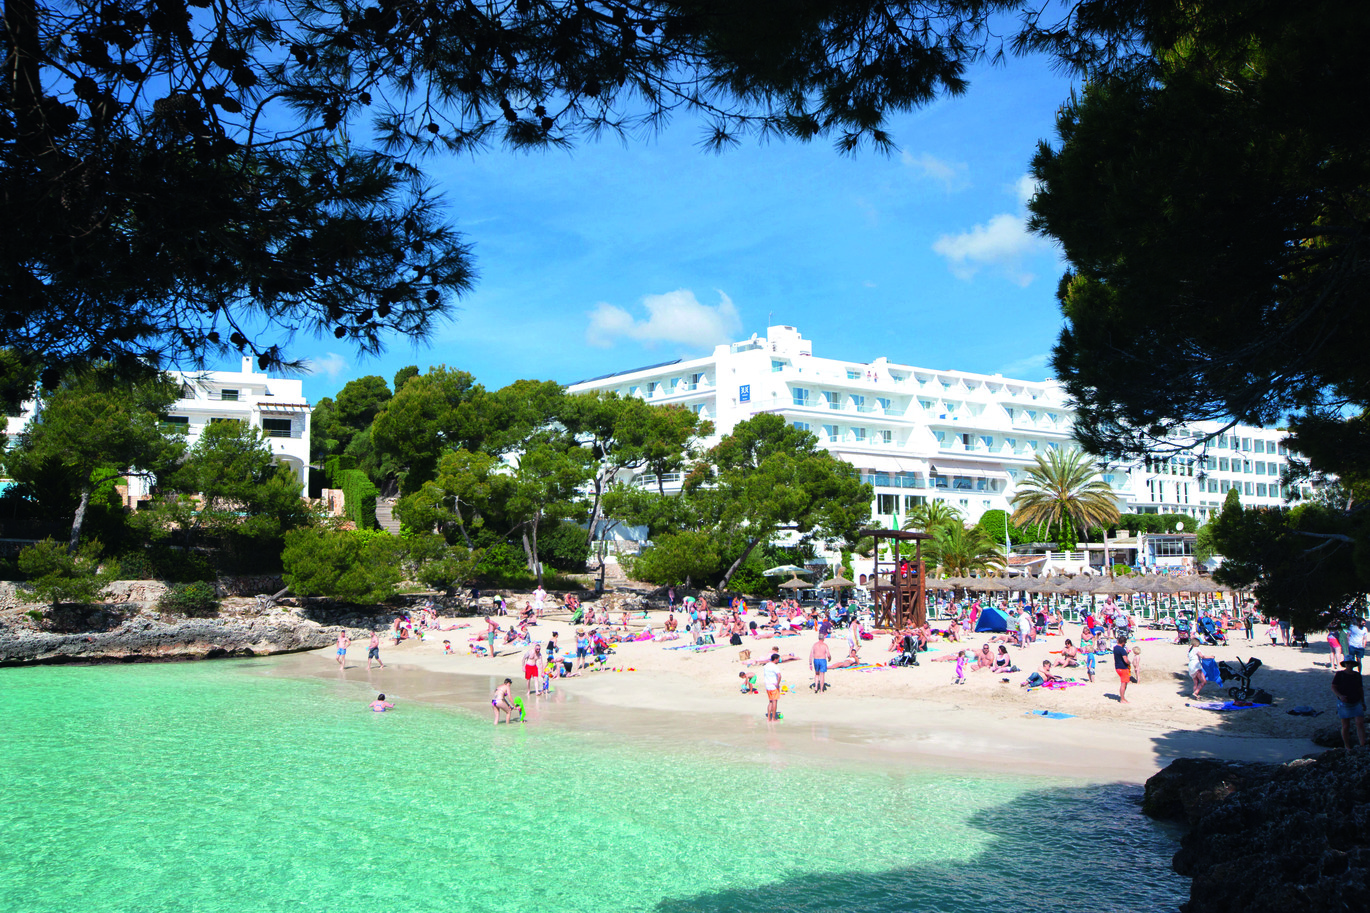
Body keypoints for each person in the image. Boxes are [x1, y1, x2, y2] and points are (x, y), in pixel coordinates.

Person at [1331, 659, 1366, 749]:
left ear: (1354, 665)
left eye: (1351, 663)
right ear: (1345, 664)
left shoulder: (1357, 675)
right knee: (1346, 725)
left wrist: (1363, 702)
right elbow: (1333, 687)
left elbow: (1360, 689)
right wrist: (1340, 696)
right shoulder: (1340, 674)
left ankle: (1362, 745)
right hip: (1344, 703)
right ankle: (1347, 746)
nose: (1350, 665)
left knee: (1360, 723)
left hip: (1356, 701)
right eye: (1348, 663)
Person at [762, 652, 783, 721]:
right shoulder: (775, 666)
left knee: (770, 701)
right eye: (778, 659)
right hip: (773, 686)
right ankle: (773, 718)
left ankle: (768, 718)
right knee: (774, 702)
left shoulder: (766, 665)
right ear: (776, 659)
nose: (778, 661)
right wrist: (777, 684)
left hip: (767, 686)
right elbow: (779, 675)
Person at [1114, 634, 1133, 703]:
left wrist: (1126, 653)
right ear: (1123, 643)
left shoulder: (1115, 648)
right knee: (1123, 684)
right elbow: (1125, 660)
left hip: (1117, 667)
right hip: (1123, 668)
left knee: (1124, 683)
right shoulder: (1122, 650)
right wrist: (1129, 663)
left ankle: (1123, 697)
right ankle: (1122, 699)